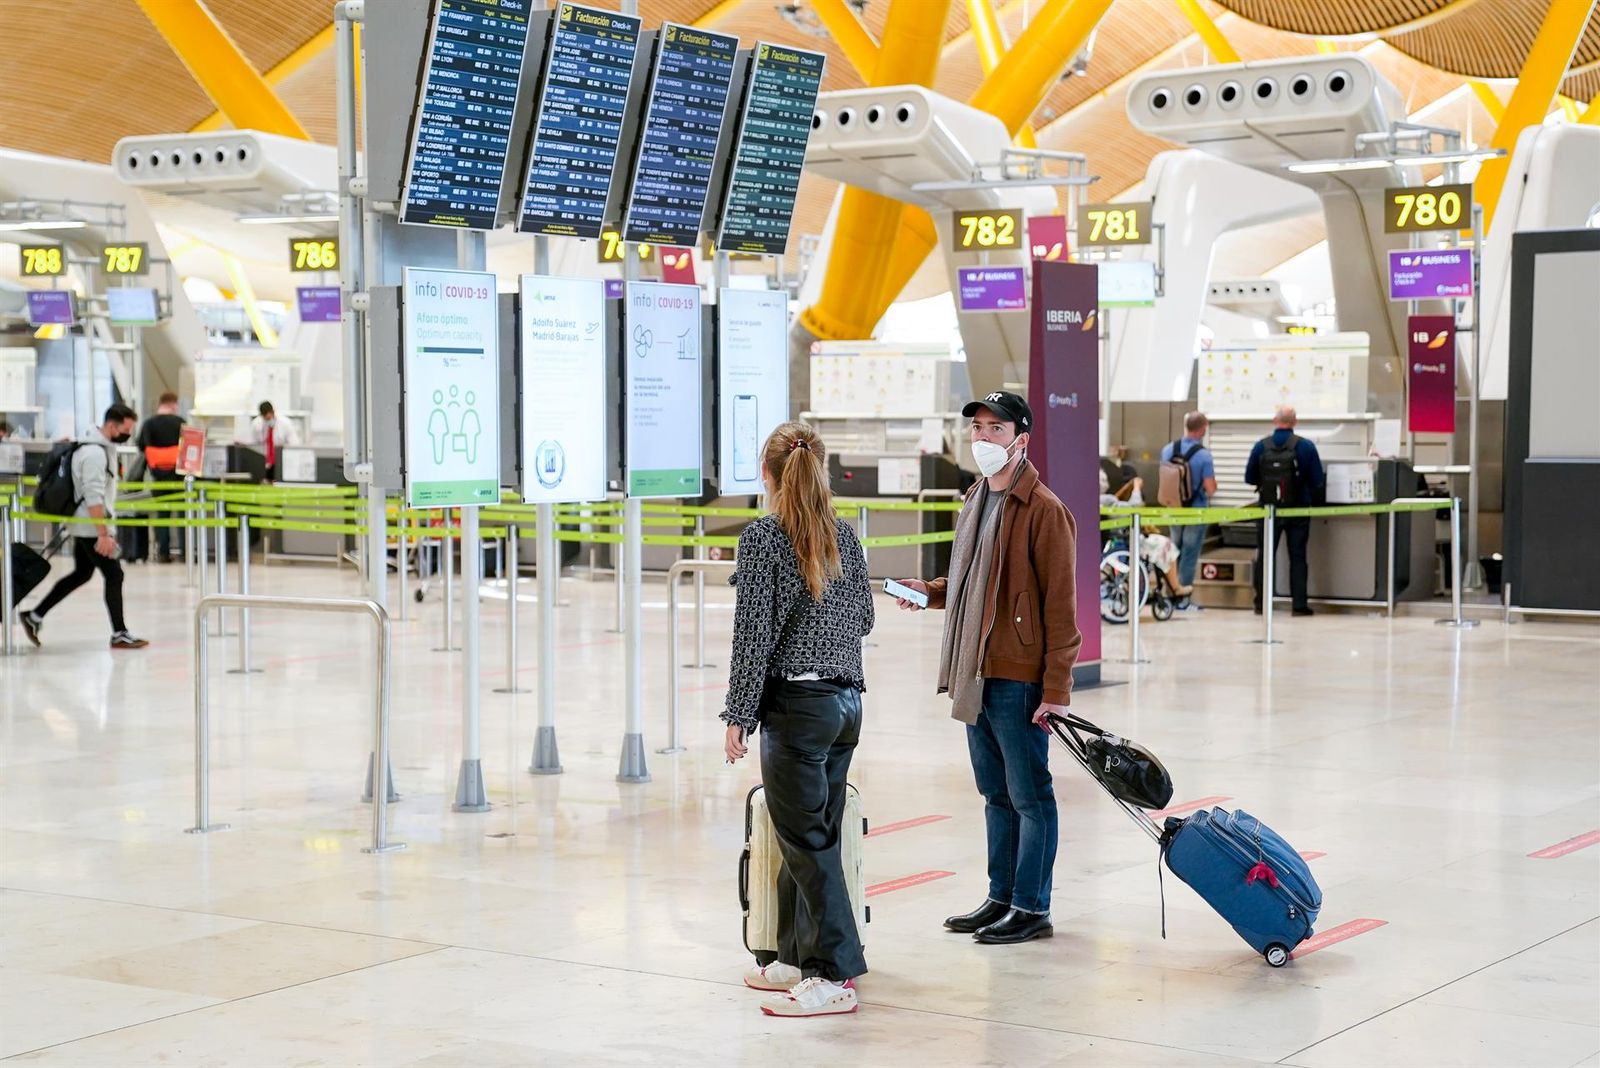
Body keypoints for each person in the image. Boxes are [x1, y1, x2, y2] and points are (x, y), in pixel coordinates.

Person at [892, 390, 1081, 946]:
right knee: (995, 794)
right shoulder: (977, 499)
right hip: (976, 670)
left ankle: (1031, 906)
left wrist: (1057, 688)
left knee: (1030, 796)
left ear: (1020, 440)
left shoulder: (1045, 510)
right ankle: (1001, 896)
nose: (982, 439)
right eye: (976, 428)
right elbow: (972, 585)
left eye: (994, 429)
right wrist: (927, 594)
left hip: (1019, 677)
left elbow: (1061, 611)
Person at [723, 421, 874, 1019]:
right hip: (845, 708)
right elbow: (862, 619)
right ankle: (794, 953)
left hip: (798, 711)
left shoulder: (764, 540)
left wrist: (738, 713)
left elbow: (752, 636)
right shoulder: (845, 536)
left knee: (806, 843)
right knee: (807, 837)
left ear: (767, 475)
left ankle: (834, 973)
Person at [20, 404, 150, 650]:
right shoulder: (94, 454)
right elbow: (93, 496)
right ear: (112, 426)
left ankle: (34, 616)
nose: (128, 434)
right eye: (126, 429)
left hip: (84, 524)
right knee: (114, 574)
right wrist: (103, 533)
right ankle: (119, 632)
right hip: (90, 527)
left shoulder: (98, 448)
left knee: (82, 573)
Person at [1245, 405, 1325, 617]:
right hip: (1298, 510)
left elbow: (1249, 478)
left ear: (1274, 420)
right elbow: (1317, 480)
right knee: (1297, 557)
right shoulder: (1306, 447)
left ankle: (1261, 603)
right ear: (1295, 422)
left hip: (1268, 510)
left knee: (1265, 556)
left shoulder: (1261, 446)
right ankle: (1299, 605)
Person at [1160, 411, 1218, 610]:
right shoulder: (1203, 455)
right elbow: (1210, 488)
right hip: (1196, 511)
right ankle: (1182, 599)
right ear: (1202, 429)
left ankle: (1169, 594)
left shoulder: (1168, 450)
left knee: (1172, 552)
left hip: (1174, 509)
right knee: (1189, 553)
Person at [134, 392, 187, 563]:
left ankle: (163, 552)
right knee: (182, 515)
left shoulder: (149, 423)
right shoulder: (180, 422)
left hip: (158, 476)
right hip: (178, 477)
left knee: (162, 515)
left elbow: (141, 446)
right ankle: (185, 551)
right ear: (173, 404)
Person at [248, 401, 298, 481]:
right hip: (264, 460)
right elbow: (252, 444)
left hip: (280, 460)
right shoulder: (256, 424)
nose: (267, 419)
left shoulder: (285, 424)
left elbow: (294, 444)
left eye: (268, 417)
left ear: (273, 412)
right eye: (264, 418)